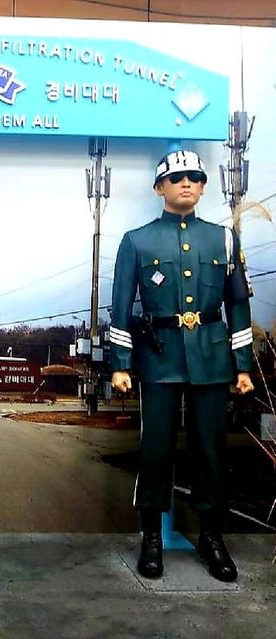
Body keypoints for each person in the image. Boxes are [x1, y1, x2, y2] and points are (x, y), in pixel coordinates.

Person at [110, 150, 254, 582]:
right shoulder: (137, 240)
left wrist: (242, 364)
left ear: (204, 185)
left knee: (210, 451)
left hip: (212, 356)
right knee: (155, 450)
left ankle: (212, 537)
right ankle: (151, 536)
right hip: (159, 356)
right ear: (159, 188)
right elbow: (120, 307)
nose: (185, 183)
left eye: (194, 176)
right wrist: (121, 363)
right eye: (175, 178)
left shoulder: (224, 239)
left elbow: (238, 304)